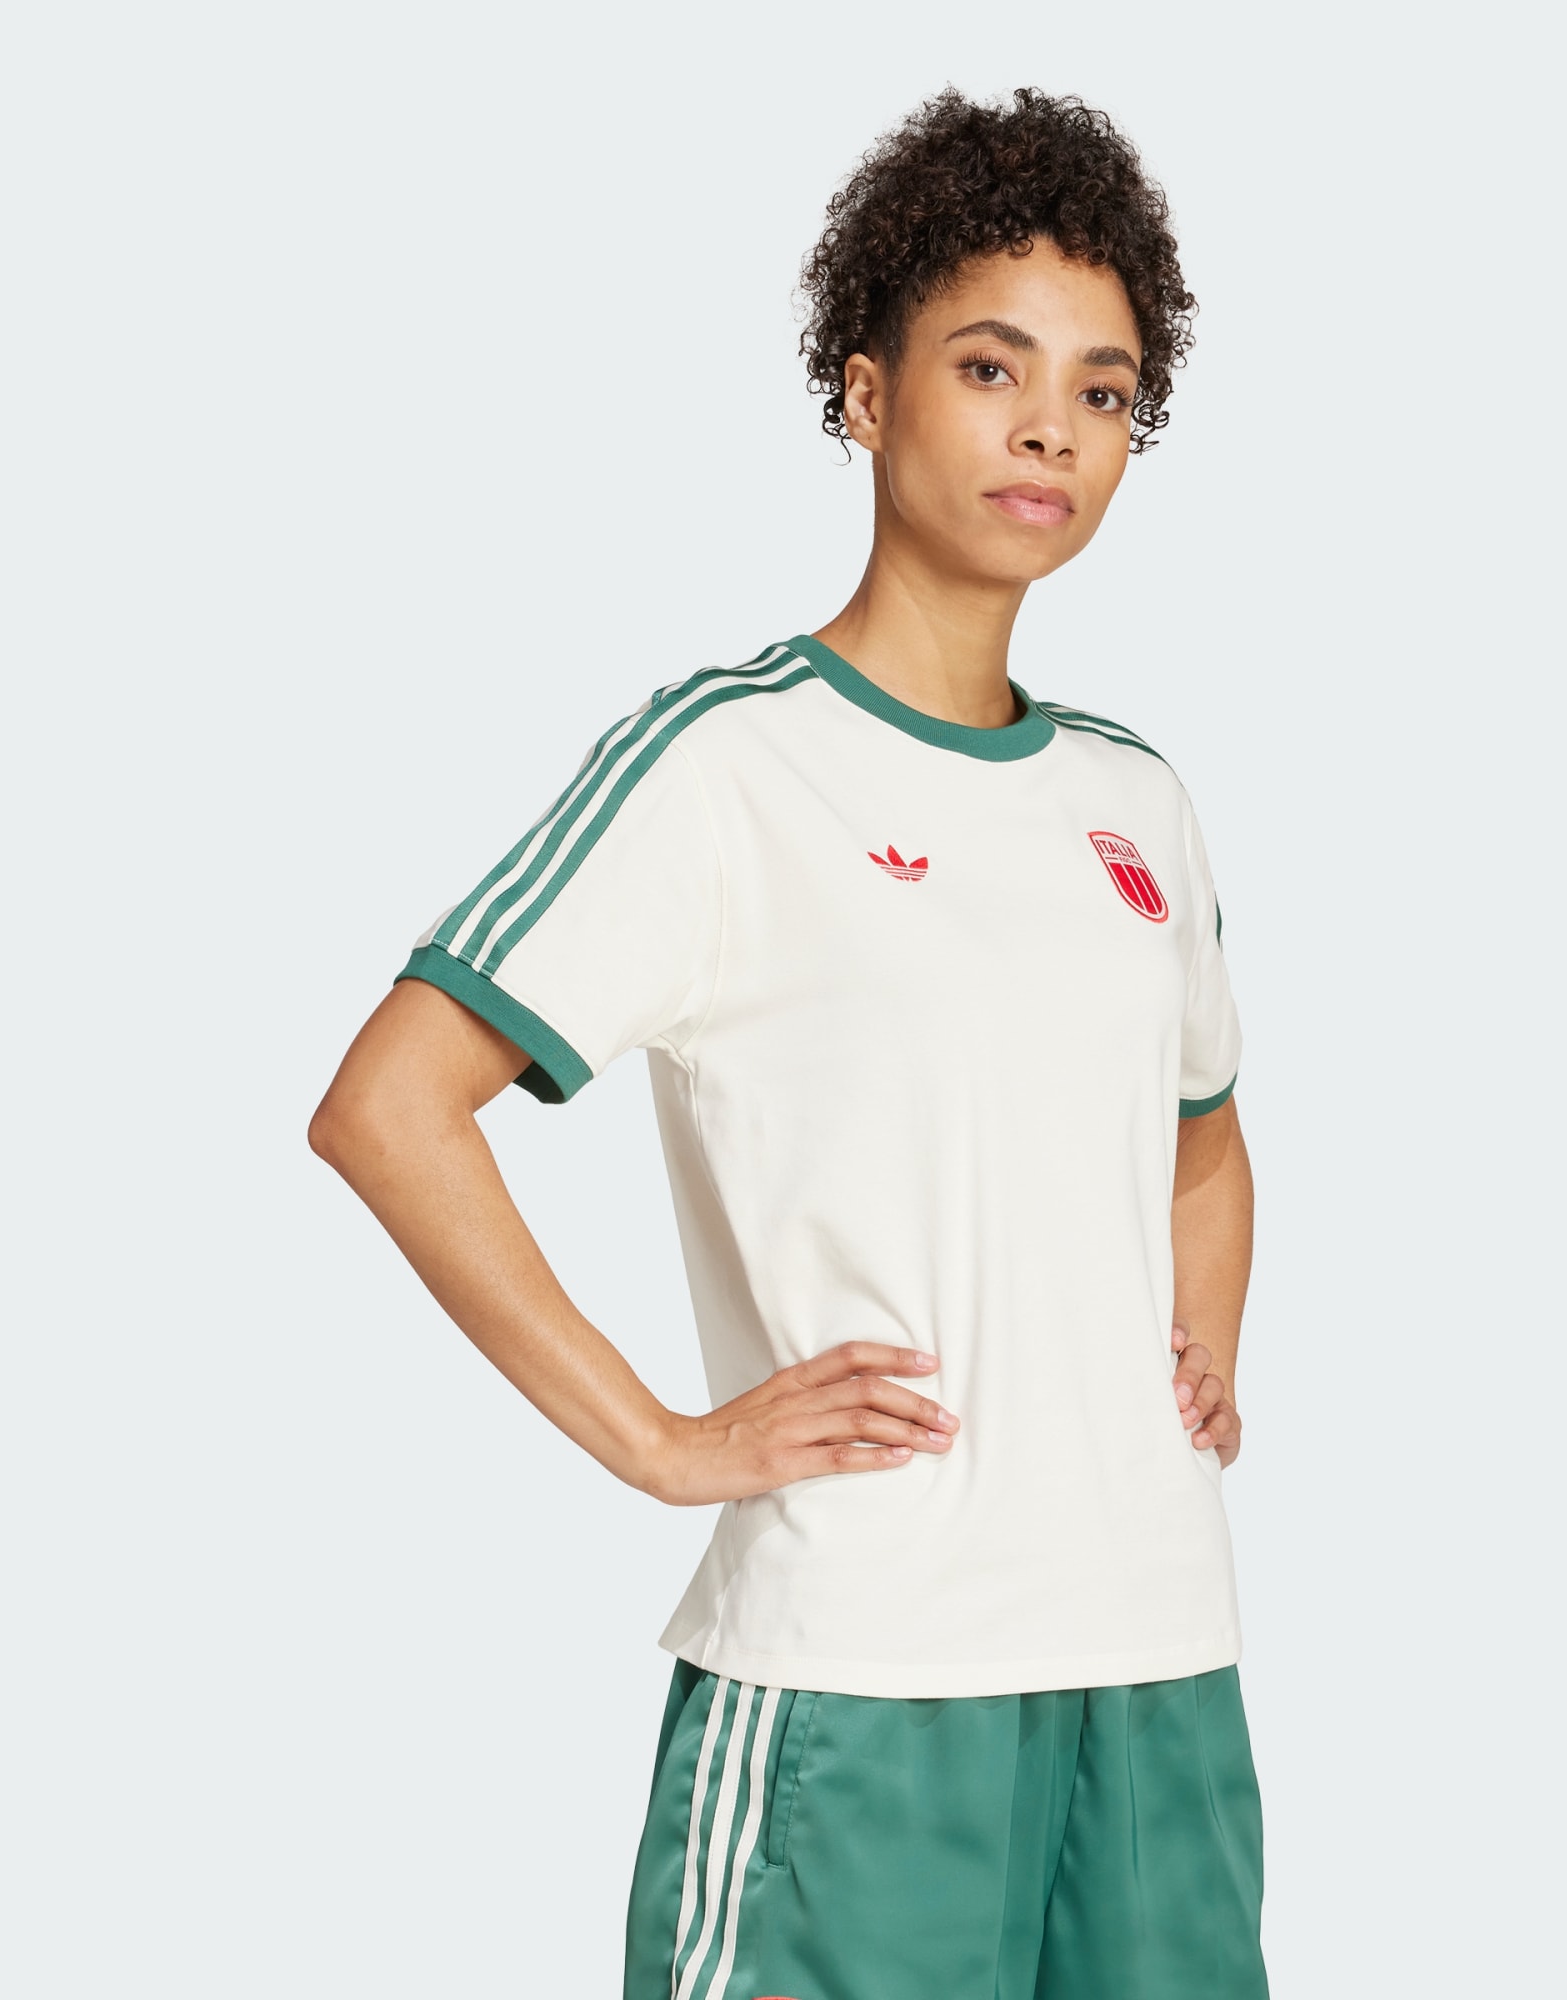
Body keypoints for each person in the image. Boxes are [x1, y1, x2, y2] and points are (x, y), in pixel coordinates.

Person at [309, 84, 1266, 2000]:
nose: (1050, 429)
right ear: (864, 393)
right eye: (991, 367)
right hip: (862, 1675)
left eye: (1101, 391)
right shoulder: (730, 764)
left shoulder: (1133, 798)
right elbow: (391, 1107)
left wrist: (1195, 1361)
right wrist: (664, 1443)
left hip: (1156, 1663)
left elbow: (1205, 1144)